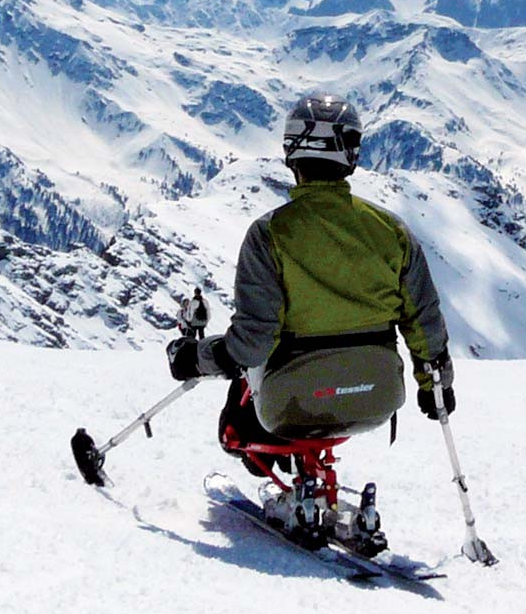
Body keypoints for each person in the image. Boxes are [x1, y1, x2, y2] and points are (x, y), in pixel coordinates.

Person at [167, 92, 455, 462]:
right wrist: (436, 387)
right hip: (377, 397)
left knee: (245, 396)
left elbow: (251, 345)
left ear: (292, 153)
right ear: (351, 156)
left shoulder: (269, 235)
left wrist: (194, 357)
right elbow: (424, 321)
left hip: (290, 403)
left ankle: (267, 460)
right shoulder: (392, 231)